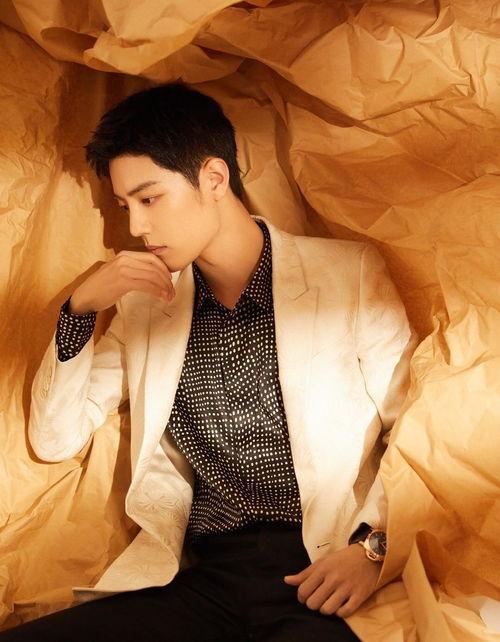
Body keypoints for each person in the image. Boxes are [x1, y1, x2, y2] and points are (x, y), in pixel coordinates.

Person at [1, 82, 417, 641]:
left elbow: (413, 429)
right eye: (124, 206)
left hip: (325, 573)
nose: (135, 227)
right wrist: (80, 310)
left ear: (214, 179)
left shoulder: (348, 274)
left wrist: (373, 548)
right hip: (205, 581)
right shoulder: (146, 306)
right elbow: (54, 439)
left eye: (150, 199)